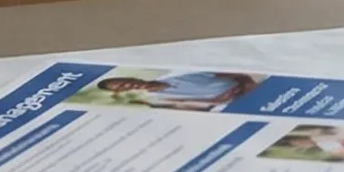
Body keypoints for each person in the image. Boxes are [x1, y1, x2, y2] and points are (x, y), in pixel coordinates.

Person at [88, 71, 259, 111]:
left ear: (133, 78)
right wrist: (220, 101)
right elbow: (199, 109)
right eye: (121, 88)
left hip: (250, 88)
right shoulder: (156, 102)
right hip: (234, 105)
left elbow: (235, 74)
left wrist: (246, 84)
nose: (128, 86)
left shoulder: (177, 75)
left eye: (125, 82)